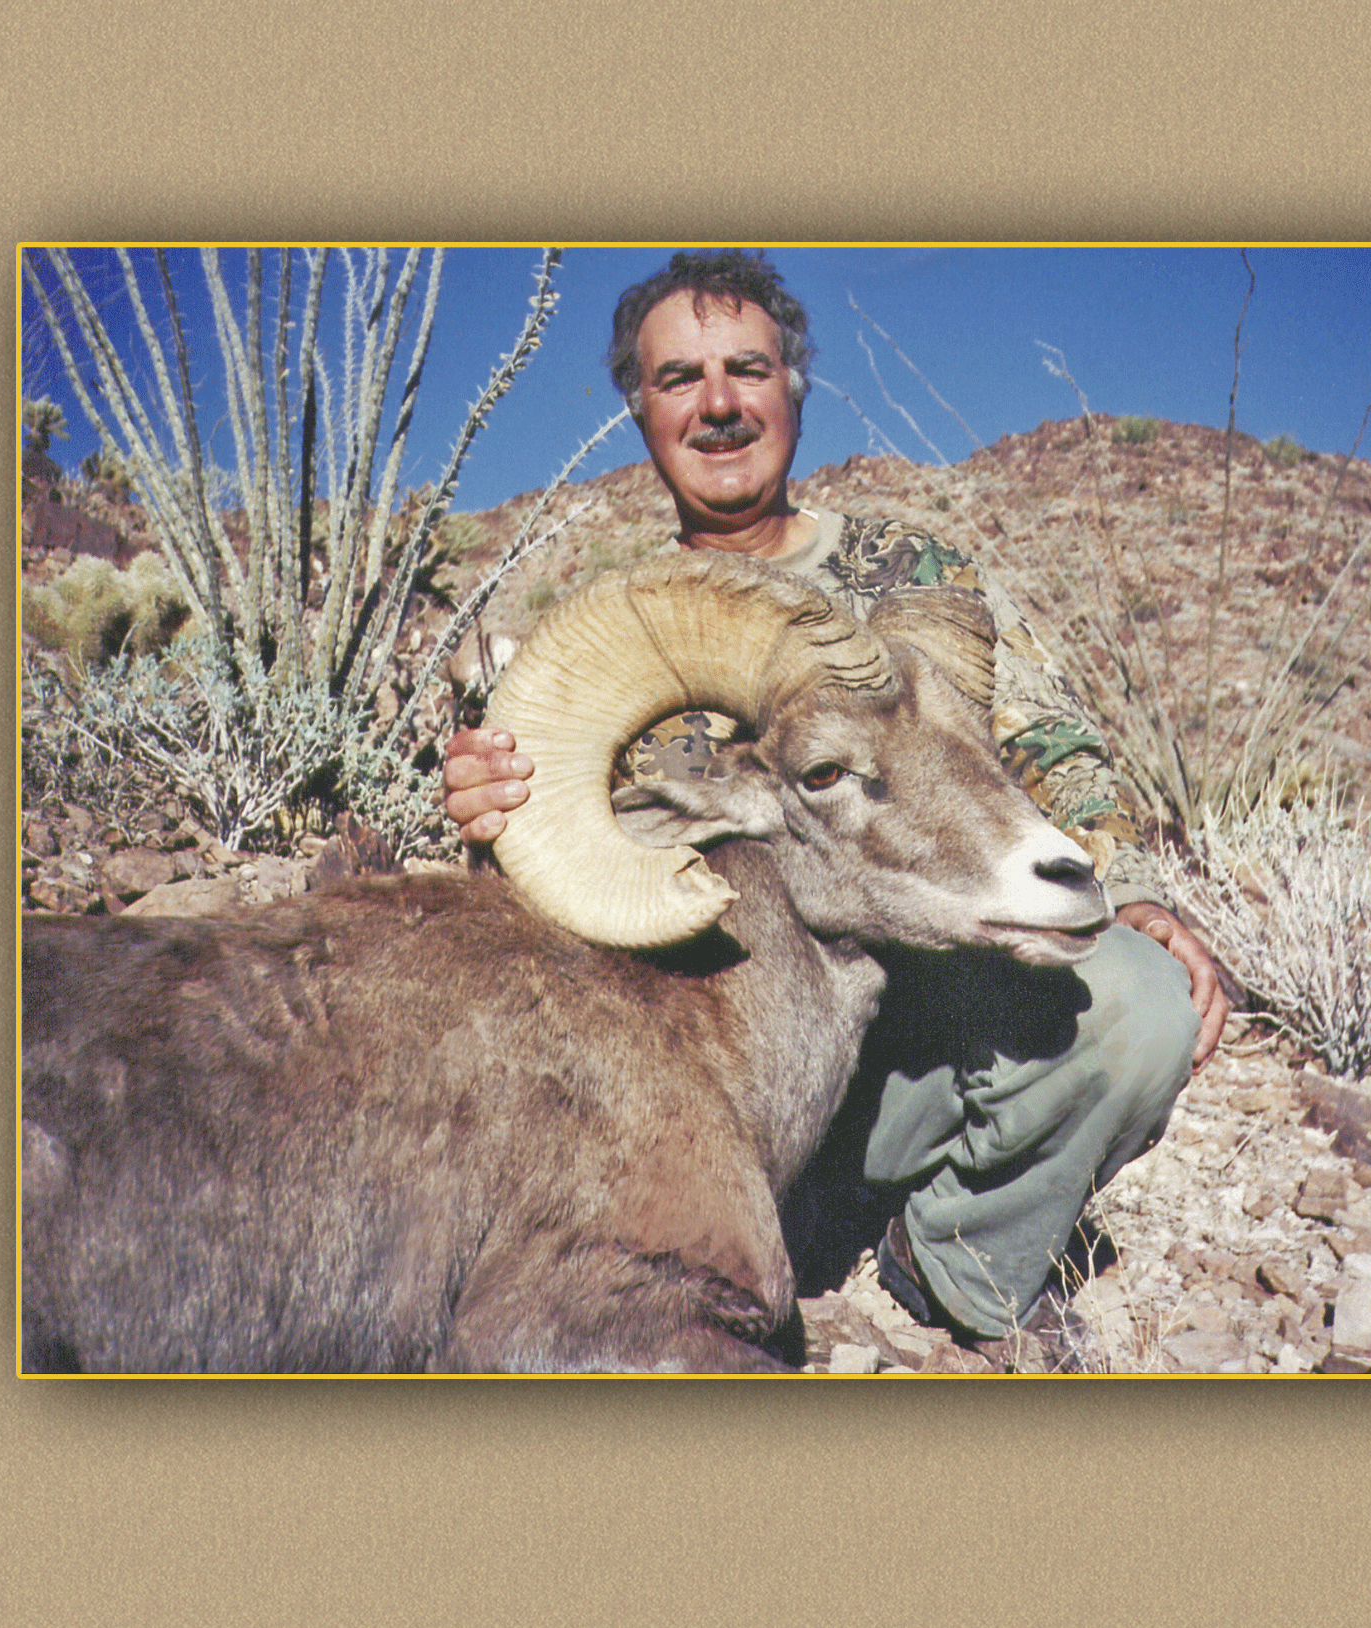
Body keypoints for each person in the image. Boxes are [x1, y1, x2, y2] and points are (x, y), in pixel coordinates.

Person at [443, 250, 1228, 1358]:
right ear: (639, 408)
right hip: (703, 1069)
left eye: (747, 368)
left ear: (793, 387)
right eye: (679, 379)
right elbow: (536, 914)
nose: (719, 404)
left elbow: (1044, 746)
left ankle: (954, 1252)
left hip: (909, 1021)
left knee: (1138, 1004)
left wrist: (1130, 885)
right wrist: (490, 818)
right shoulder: (588, 634)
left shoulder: (913, 572)